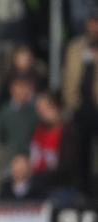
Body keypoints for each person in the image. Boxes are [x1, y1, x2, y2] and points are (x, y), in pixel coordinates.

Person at [63, 10, 98, 195]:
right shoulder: (76, 47)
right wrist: (70, 102)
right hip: (79, 107)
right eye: (92, 23)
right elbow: (68, 76)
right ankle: (83, 191)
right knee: (80, 153)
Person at [30, 92, 82, 205]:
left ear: (56, 108)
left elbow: (68, 165)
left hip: (63, 188)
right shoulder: (38, 132)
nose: (42, 114)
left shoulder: (69, 132)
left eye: (46, 109)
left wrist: (42, 177)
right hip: (40, 187)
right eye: (40, 110)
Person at [0, 77, 39, 161]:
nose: (22, 91)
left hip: (32, 157)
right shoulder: (5, 111)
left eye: (25, 87)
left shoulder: (35, 111)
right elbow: (1, 135)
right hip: (11, 157)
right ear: (12, 89)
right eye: (19, 87)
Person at [0, 45, 47, 112]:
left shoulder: (39, 78)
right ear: (15, 59)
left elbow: (44, 98)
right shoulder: (7, 78)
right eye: (21, 58)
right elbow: (0, 103)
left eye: (27, 58)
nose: (24, 61)